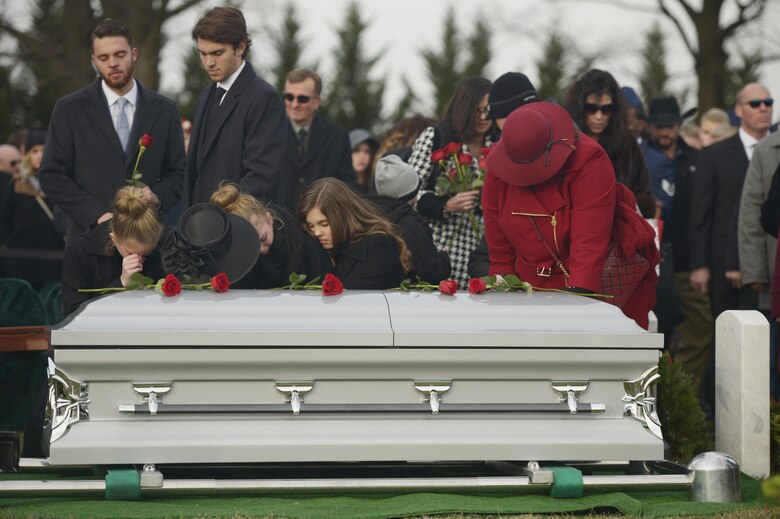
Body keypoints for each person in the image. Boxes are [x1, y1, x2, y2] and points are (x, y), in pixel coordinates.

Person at [483, 101, 656, 329]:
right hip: (528, 288)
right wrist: (503, 300)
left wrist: (571, 317)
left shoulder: (590, 159)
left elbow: (589, 244)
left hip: (593, 286)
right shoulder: (498, 168)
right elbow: (500, 250)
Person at [39, 19, 185, 240]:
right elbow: (52, 175)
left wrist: (157, 197)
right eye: (104, 58)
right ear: (93, 60)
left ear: (133, 54)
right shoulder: (69, 109)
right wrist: (97, 216)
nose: (113, 63)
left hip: (149, 241)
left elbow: (178, 172)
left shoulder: (165, 109)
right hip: (88, 241)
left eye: (120, 55)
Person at [185, 6, 287, 208]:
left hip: (240, 228)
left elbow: (259, 178)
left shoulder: (264, 98)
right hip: (199, 226)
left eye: (217, 53)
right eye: (202, 53)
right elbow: (194, 171)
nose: (208, 62)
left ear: (240, 47)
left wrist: (221, 221)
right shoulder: (206, 95)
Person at [646, 96, 711, 390]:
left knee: (698, 330)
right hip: (648, 263)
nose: (664, 132)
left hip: (685, 262)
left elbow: (704, 213)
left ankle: (681, 399)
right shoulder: (639, 160)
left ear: (679, 124)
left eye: (669, 125)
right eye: (658, 126)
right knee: (650, 335)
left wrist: (701, 263)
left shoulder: (696, 160)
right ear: (649, 126)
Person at [408, 76, 496, 287]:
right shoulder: (438, 136)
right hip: (439, 248)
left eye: (489, 110)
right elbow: (407, 194)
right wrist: (445, 205)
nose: (484, 117)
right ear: (464, 108)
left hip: (481, 255)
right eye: (477, 111)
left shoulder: (497, 144)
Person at [563, 69, 655, 218]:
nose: (599, 116)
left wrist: (614, 204)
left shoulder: (628, 146)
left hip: (617, 231)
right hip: (574, 230)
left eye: (607, 109)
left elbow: (646, 201)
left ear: (616, 110)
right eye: (591, 108)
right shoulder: (565, 144)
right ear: (580, 108)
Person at [60, 186, 165, 315]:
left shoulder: (164, 246)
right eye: (130, 253)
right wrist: (121, 283)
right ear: (114, 238)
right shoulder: (81, 250)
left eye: (146, 253)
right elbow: (73, 312)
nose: (139, 259)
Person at [298, 177, 411, 289]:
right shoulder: (315, 247)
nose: (317, 233)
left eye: (324, 224)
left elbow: (352, 299)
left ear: (344, 216)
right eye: (311, 226)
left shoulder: (380, 245)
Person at [210, 183, 327, 288]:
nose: (260, 249)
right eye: (251, 246)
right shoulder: (232, 261)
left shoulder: (302, 242)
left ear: (269, 219)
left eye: (263, 238)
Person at [281, 68, 354, 209]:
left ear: (317, 101)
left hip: (321, 224)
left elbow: (347, 188)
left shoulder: (338, 138)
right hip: (278, 223)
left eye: (302, 99)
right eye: (289, 97)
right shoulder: (267, 133)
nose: (294, 104)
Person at [371, 155, 451, 283]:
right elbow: (432, 273)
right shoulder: (412, 226)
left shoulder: (368, 217)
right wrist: (444, 258)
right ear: (411, 193)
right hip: (407, 298)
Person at [0, 129, 64, 286]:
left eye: (43, 150)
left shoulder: (60, 183)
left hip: (52, 259)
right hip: (22, 260)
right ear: (27, 154)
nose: (39, 155)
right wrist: (11, 247)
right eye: (34, 151)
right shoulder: (16, 185)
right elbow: (5, 220)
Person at [349, 128, 378, 195]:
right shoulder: (340, 187)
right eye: (356, 151)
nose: (362, 156)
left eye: (367, 151)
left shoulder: (377, 185)